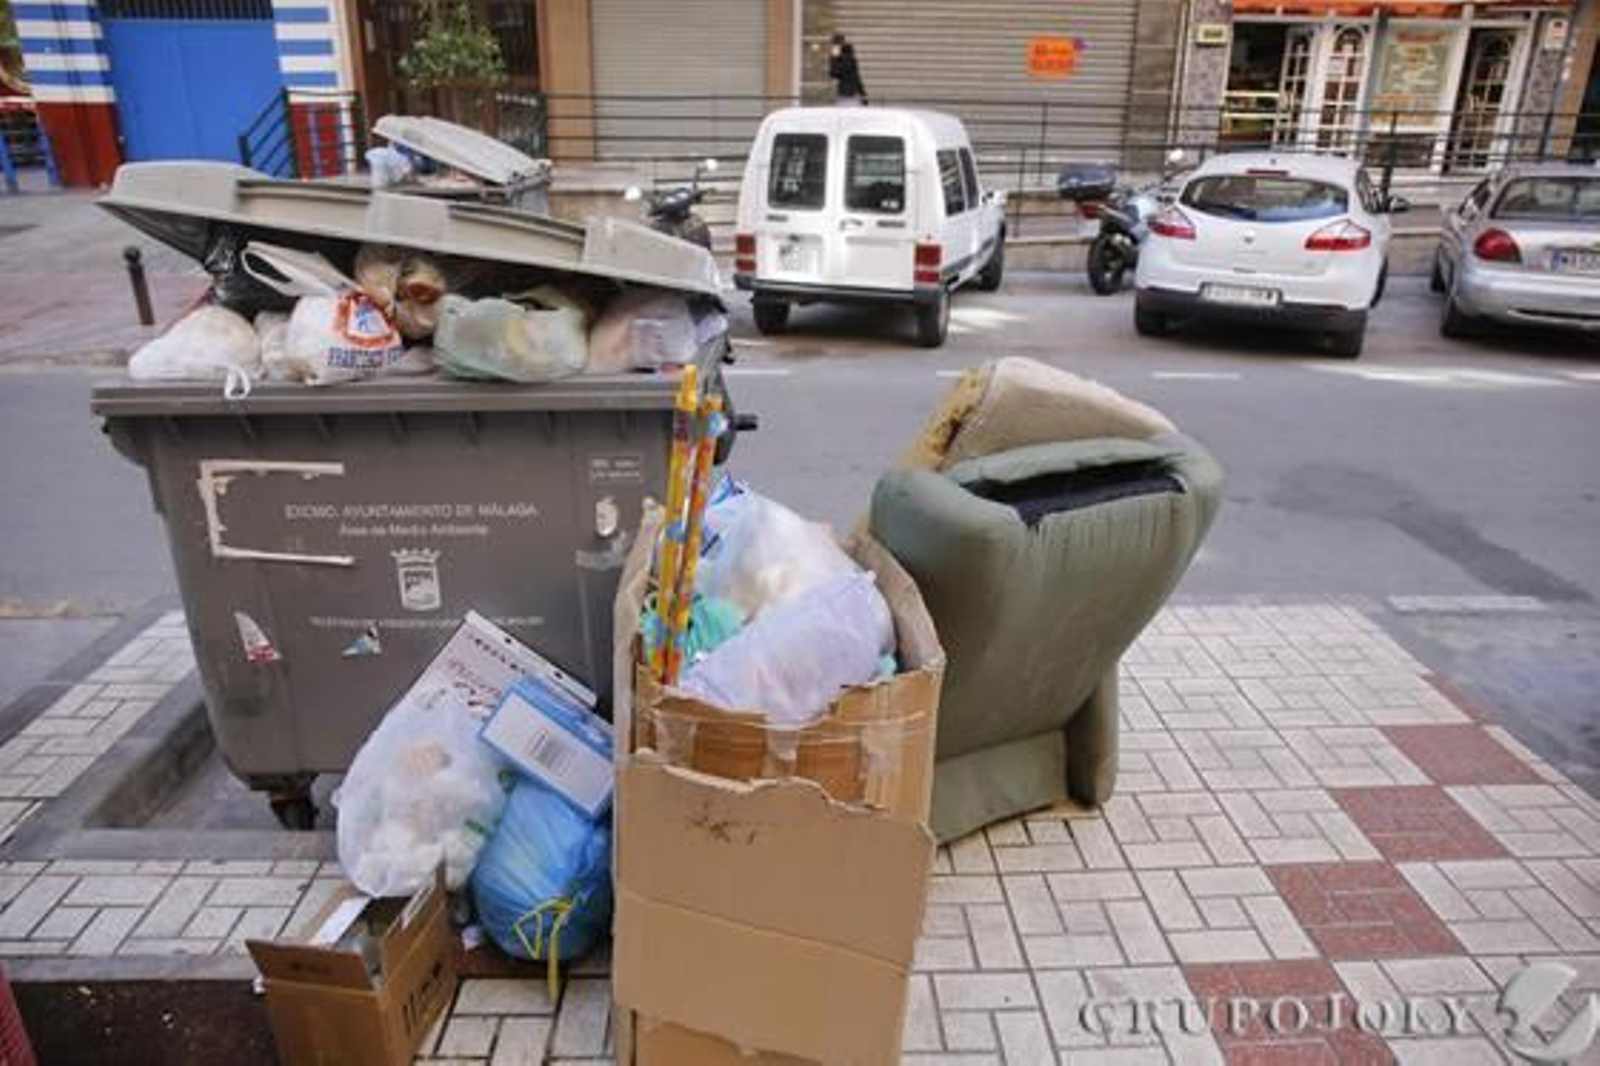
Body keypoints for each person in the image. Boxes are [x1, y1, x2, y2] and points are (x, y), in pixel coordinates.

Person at [828, 33, 868, 106]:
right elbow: (856, 76)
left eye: (835, 45)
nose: (833, 48)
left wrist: (833, 58)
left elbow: (834, 73)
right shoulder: (846, 56)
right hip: (849, 92)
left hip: (847, 93)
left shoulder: (844, 57)